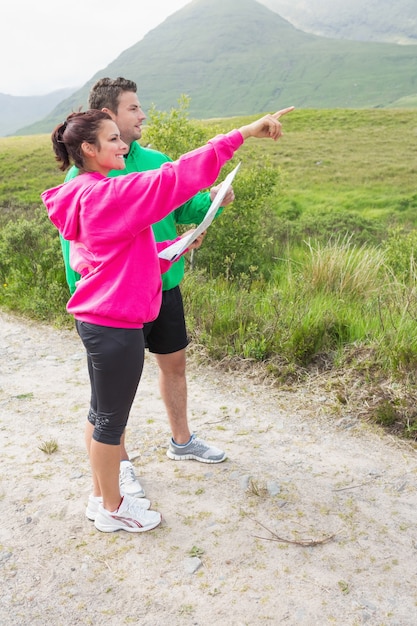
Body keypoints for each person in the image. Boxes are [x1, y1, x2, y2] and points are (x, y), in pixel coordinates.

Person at [42, 105, 293, 533]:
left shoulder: (84, 192)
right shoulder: (109, 194)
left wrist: (172, 247)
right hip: (114, 323)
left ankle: (100, 496)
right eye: (112, 139)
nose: (123, 144)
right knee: (109, 423)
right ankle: (113, 509)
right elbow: (178, 176)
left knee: (99, 413)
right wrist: (244, 132)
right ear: (88, 148)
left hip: (100, 317)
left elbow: (110, 261)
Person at [61, 77, 238, 502]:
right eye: (134, 109)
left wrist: (215, 199)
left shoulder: (156, 158)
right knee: (111, 397)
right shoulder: (85, 178)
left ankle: (182, 441)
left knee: (173, 364)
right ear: (107, 117)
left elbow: (189, 205)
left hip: (164, 285)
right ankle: (118, 469)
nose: (142, 116)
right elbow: (79, 254)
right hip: (117, 302)